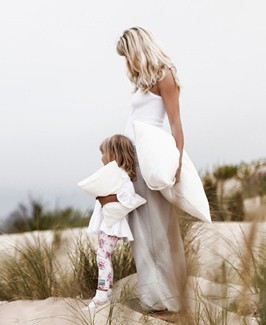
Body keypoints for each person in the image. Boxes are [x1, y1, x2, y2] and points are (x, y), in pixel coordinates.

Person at [97, 27, 187, 312]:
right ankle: (153, 297)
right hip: (130, 161)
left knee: (157, 228)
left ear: (138, 49)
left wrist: (177, 161)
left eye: (127, 55)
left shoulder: (165, 75)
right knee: (141, 230)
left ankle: (168, 300)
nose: (127, 63)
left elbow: (175, 124)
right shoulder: (141, 81)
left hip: (150, 159)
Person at [83, 134, 143, 310]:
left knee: (103, 256)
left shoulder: (121, 176)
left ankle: (102, 295)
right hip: (109, 223)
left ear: (114, 154)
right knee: (102, 255)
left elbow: (128, 198)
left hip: (112, 224)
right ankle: (106, 290)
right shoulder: (115, 175)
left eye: (104, 153)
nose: (101, 157)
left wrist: (109, 198)